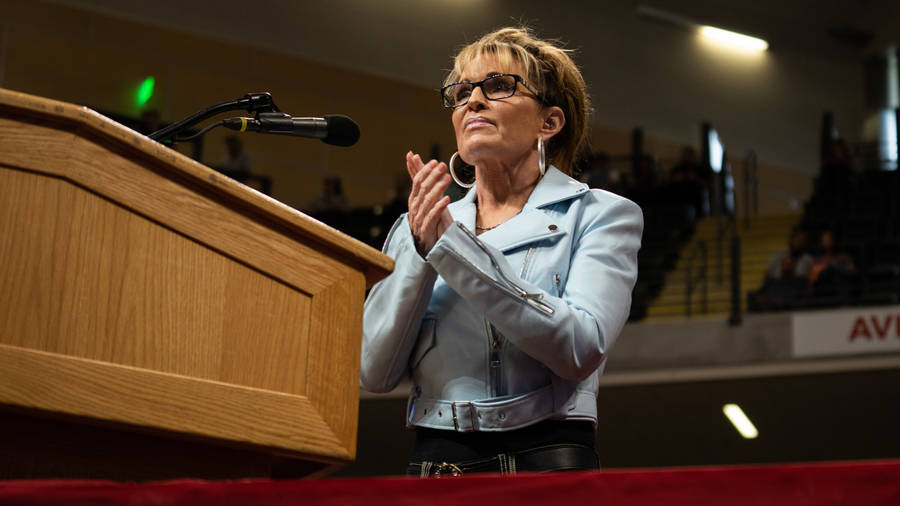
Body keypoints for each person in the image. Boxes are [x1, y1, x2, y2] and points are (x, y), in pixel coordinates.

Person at [360, 27, 643, 476]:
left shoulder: (600, 215)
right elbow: (374, 373)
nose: (472, 101)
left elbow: (580, 348)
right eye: (461, 91)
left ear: (549, 122)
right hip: (436, 464)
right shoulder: (419, 226)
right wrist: (421, 249)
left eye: (498, 86)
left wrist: (448, 247)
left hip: (550, 458)